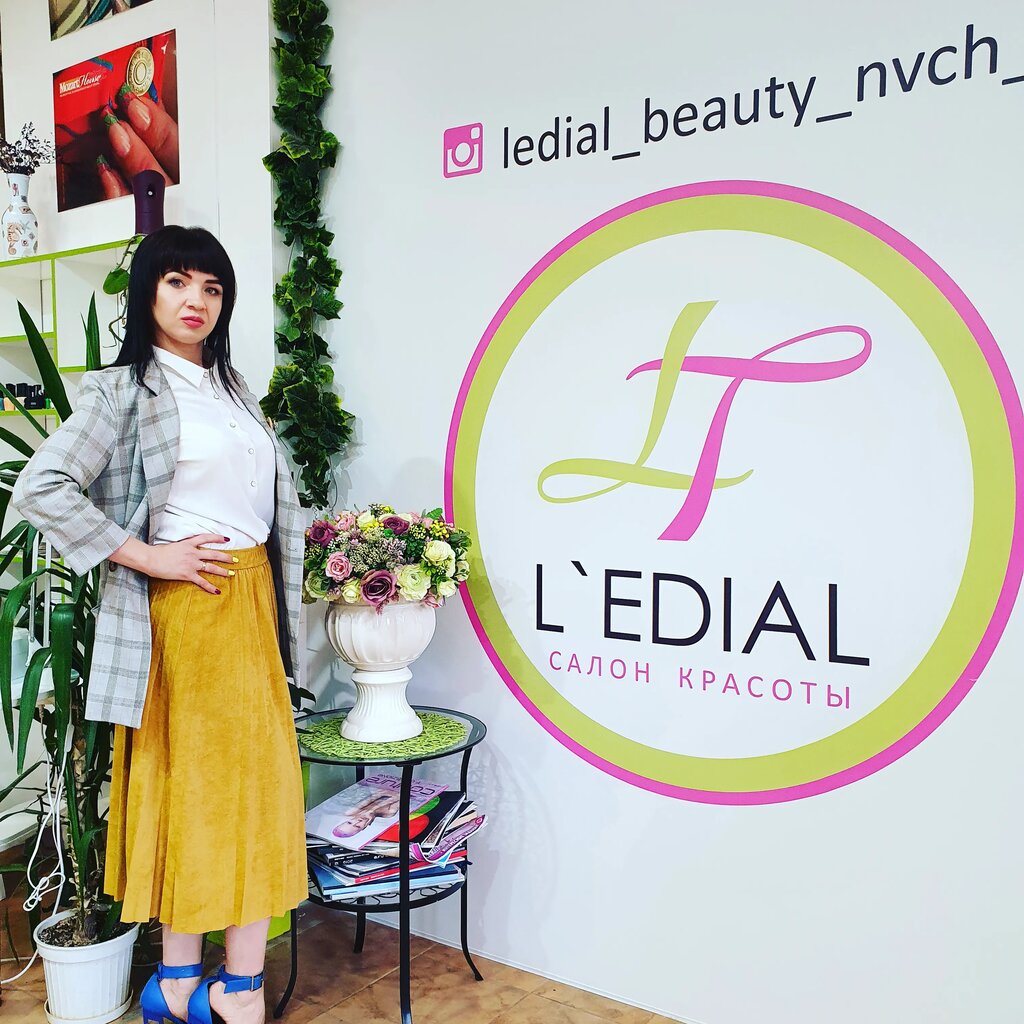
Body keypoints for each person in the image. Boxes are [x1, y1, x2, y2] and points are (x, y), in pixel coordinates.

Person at [13, 225, 307, 1024]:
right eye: (177, 282)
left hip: (250, 607)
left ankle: (187, 984)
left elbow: (264, 508)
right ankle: (224, 989)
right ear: (147, 292)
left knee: (248, 794)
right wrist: (146, 555)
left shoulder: (233, 388)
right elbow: (41, 489)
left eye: (211, 287)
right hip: (186, 616)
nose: (195, 301)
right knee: (206, 796)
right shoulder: (121, 391)